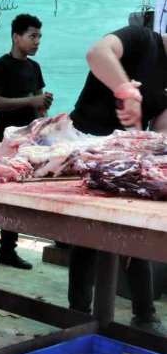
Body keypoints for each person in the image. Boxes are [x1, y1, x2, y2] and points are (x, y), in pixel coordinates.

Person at [67, 24, 167, 334]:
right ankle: (78, 314)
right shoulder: (142, 39)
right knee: (87, 230)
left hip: (126, 158)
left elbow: (161, 128)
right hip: (84, 144)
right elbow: (97, 53)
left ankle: (144, 312)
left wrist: (153, 145)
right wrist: (126, 90)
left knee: (132, 226)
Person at [0, 14, 53, 270]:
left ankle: (7, 250)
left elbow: (39, 104)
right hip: (5, 141)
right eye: (32, 36)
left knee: (16, 198)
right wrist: (29, 101)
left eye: (39, 37)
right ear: (16, 37)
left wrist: (44, 113)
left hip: (29, 143)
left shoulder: (34, 68)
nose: (37, 42)